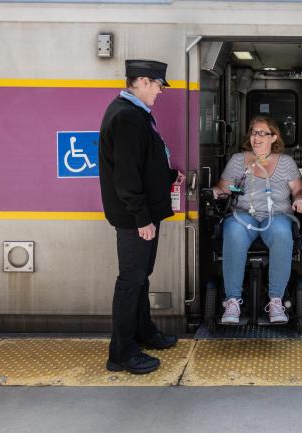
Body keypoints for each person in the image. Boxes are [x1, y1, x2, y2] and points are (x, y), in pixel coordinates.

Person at [99, 59, 182, 374]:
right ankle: (120, 353)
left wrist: (170, 175)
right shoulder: (127, 118)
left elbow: (144, 163)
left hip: (142, 213)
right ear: (144, 81)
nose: (161, 92)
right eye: (159, 85)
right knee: (130, 281)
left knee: (140, 278)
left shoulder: (133, 114)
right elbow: (127, 178)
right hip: (136, 218)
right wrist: (142, 219)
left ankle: (144, 331)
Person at [212, 116, 302, 324]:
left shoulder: (285, 162)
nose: (256, 137)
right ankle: (232, 302)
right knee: (233, 232)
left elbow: (299, 189)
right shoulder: (239, 160)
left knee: (283, 233)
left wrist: (300, 199)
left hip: (276, 216)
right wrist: (215, 192)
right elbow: (223, 189)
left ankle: (276, 301)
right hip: (244, 216)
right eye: (254, 132)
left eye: (262, 133)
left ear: (274, 137)